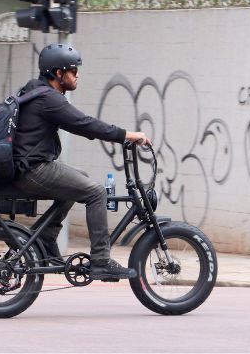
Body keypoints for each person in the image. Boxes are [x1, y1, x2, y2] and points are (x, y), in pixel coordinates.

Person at [12, 43, 151, 280]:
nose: (78, 75)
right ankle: (101, 260)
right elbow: (84, 123)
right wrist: (127, 135)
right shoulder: (49, 99)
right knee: (96, 192)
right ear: (59, 73)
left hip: (26, 166)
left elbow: (81, 125)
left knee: (81, 179)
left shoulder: (35, 91)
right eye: (73, 71)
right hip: (32, 169)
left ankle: (45, 237)